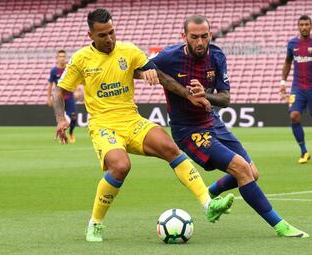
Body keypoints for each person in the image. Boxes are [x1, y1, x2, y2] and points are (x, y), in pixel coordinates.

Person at [53, 8, 234, 242]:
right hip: (103, 125)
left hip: (132, 120)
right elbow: (60, 91)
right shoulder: (80, 59)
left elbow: (160, 75)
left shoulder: (129, 51)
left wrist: (185, 94)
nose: (109, 39)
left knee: (170, 148)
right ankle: (96, 222)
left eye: (112, 32)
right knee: (120, 166)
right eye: (103, 35)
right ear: (91, 36)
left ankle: (208, 204)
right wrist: (60, 119)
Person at [152, 14, 309, 238]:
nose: (199, 42)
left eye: (204, 36)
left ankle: (209, 194)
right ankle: (281, 226)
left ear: (210, 35)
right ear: (184, 36)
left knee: (253, 173)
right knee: (242, 169)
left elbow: (225, 99)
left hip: (212, 122)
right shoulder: (169, 57)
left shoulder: (216, 56)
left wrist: (205, 95)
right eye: (194, 37)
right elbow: (141, 69)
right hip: (188, 130)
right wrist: (172, 86)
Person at [280, 15, 312, 164]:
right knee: (294, 116)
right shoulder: (292, 43)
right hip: (297, 88)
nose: (304, 27)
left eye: (306, 24)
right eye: (301, 24)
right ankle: (304, 152)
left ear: (311, 25)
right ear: (298, 26)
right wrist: (283, 81)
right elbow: (287, 63)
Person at [47, 50, 77, 143]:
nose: (62, 58)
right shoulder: (54, 71)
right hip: (59, 98)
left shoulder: (69, 69)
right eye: (60, 56)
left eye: (63, 56)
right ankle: (62, 136)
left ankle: (71, 133)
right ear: (57, 58)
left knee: (73, 117)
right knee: (60, 118)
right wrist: (49, 97)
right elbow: (50, 85)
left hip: (69, 97)